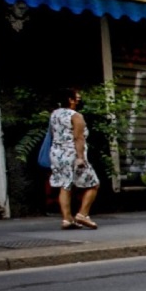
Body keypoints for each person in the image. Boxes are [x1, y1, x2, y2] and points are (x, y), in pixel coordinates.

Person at [48, 87, 100, 230]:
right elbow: (78, 138)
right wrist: (81, 157)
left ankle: (67, 219)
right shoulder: (76, 116)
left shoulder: (54, 114)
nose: (78, 99)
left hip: (57, 154)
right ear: (69, 99)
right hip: (72, 154)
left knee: (65, 185)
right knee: (94, 184)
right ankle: (83, 214)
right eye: (76, 97)